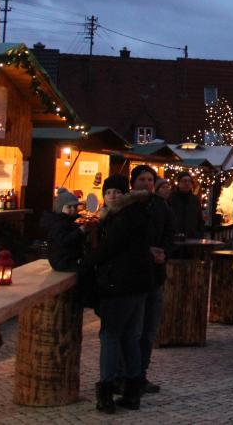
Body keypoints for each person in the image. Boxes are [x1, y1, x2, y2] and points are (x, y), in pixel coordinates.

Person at [83, 175, 152, 414]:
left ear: (125, 194)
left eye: (116, 192)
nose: (112, 195)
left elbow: (108, 248)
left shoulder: (123, 218)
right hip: (138, 284)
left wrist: (85, 261)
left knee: (111, 336)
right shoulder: (136, 213)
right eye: (108, 191)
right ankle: (132, 392)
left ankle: (106, 394)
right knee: (129, 337)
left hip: (120, 285)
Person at [129, 165, 175, 395]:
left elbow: (169, 234)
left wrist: (163, 251)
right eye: (142, 179)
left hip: (155, 276)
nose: (146, 183)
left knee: (148, 331)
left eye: (150, 180)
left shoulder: (161, 207)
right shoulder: (126, 206)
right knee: (132, 331)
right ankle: (126, 374)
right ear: (133, 183)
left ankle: (140, 374)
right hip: (132, 278)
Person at [42, 188, 86, 272]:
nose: (73, 209)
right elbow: (63, 241)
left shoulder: (69, 220)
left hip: (67, 259)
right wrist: (79, 231)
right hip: (62, 262)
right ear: (60, 208)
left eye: (75, 207)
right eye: (69, 207)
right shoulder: (58, 223)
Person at [168, 172, 203, 239]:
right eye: (184, 181)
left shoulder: (195, 200)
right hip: (175, 238)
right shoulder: (171, 198)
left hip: (192, 237)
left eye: (189, 181)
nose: (187, 183)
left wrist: (199, 234)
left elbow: (199, 219)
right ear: (178, 183)